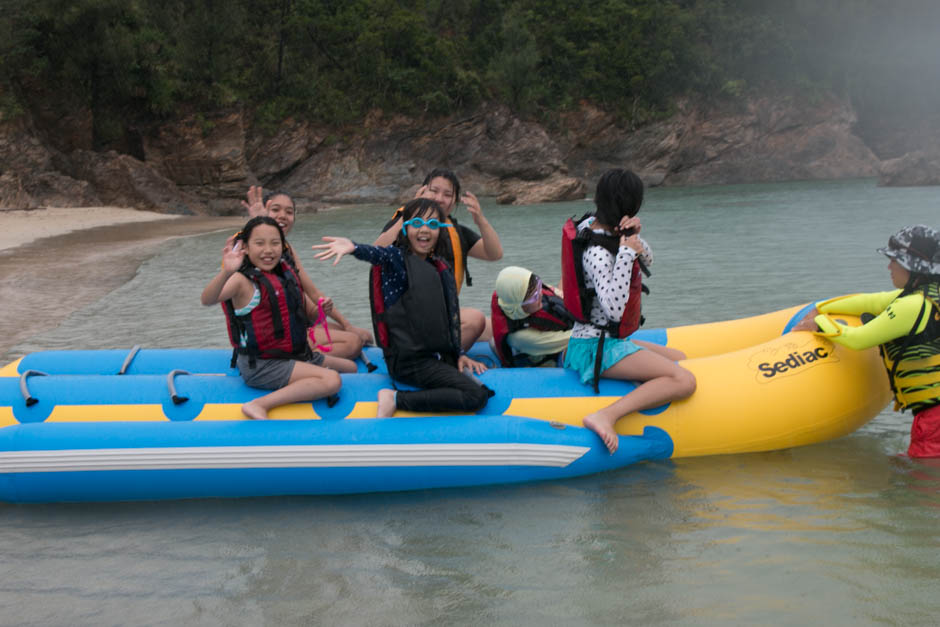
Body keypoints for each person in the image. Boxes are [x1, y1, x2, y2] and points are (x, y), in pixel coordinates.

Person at [314, 198, 492, 417]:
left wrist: (458, 354)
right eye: (417, 223)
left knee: (478, 390)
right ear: (406, 228)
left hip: (433, 357)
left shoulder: (439, 267)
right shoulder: (397, 261)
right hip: (409, 363)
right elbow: (379, 254)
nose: (424, 229)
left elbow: (446, 321)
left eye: (433, 225)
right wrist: (354, 247)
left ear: (440, 232)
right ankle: (396, 398)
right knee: (477, 396)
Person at [563, 169, 696, 454]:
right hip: (593, 348)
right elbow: (613, 309)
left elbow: (648, 257)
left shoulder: (603, 228)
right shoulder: (596, 252)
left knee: (682, 359)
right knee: (683, 380)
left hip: (610, 343)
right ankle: (606, 415)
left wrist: (634, 236)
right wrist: (624, 253)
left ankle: (638, 386)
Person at [792, 225, 940, 457]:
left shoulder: (911, 306)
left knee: (920, 481)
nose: (889, 266)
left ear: (914, 268)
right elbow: (873, 302)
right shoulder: (929, 295)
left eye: (895, 260)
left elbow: (859, 339)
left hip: (934, 419)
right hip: (933, 415)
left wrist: (821, 323)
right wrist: (819, 307)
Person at [201, 216, 351, 420]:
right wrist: (226, 272)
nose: (268, 250)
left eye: (275, 243)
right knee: (332, 380)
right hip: (263, 364)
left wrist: (323, 309)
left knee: (350, 368)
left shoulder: (284, 274)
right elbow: (208, 299)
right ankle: (259, 404)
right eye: (259, 243)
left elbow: (309, 314)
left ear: (283, 246)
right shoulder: (240, 280)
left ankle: (306, 379)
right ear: (245, 247)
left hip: (294, 355)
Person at [373, 169, 502, 350]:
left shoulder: (455, 231)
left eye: (447, 194)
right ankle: (442, 361)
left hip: (438, 316)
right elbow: (376, 252)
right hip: (406, 320)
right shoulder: (406, 226)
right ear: (422, 192)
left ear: (454, 202)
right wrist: (410, 214)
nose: (439, 198)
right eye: (434, 191)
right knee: (475, 319)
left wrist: (480, 220)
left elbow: (494, 253)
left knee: (496, 327)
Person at [242, 186, 373, 359]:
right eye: (275, 210)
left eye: (289, 212)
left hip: (295, 326)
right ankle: (296, 361)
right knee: (353, 343)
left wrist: (347, 325)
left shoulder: (287, 249)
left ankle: (305, 353)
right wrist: (259, 221)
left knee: (364, 336)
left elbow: (312, 291)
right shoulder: (249, 250)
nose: (282, 215)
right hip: (273, 337)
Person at [492, 265, 687, 368]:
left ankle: (680, 362)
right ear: (517, 303)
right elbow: (568, 340)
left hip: (581, 339)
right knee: (621, 346)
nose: (541, 295)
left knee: (675, 356)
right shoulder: (519, 337)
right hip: (567, 355)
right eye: (535, 296)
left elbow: (559, 297)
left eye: (540, 287)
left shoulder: (533, 299)